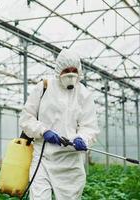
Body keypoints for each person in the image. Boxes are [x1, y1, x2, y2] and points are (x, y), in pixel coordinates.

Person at [19, 49, 99, 200]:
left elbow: (89, 126)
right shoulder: (44, 87)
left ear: (79, 70)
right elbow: (26, 118)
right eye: (66, 70)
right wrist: (43, 131)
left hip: (71, 161)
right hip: (43, 157)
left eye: (74, 70)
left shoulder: (83, 94)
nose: (70, 74)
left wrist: (83, 138)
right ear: (58, 69)